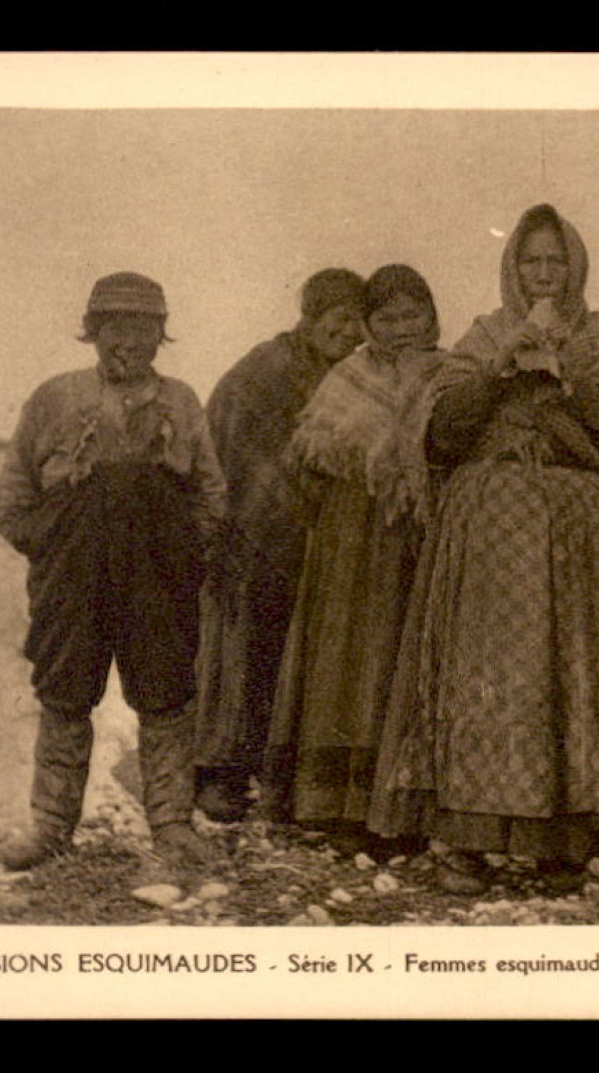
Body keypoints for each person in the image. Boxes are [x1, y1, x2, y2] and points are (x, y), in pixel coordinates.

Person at [369, 203, 599, 895]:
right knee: (484, 682)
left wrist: (570, 380)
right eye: (528, 261)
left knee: (567, 679)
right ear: (511, 267)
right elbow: (435, 429)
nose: (541, 274)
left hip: (572, 544)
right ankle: (468, 838)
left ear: (575, 268)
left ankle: (561, 841)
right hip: (488, 543)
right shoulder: (483, 335)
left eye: (553, 262)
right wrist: (496, 373)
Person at [0, 272, 227, 871]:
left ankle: (172, 827)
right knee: (65, 694)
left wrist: (181, 554)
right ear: (93, 331)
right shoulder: (56, 397)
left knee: (166, 698)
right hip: (73, 577)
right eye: (116, 325)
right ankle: (50, 825)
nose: (130, 340)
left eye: (145, 327)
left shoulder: (180, 401)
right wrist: (49, 543)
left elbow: (210, 492)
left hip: (156, 578)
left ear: (161, 335)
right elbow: (15, 489)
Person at [261, 264, 446, 856]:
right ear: (368, 324)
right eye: (386, 318)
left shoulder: (449, 375)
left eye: (411, 315)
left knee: (404, 662)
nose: (399, 329)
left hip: (417, 542)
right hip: (349, 540)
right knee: (343, 664)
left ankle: (403, 808)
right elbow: (310, 446)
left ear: (431, 317)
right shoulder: (349, 374)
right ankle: (331, 805)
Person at [194, 268, 369, 823]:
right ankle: (218, 774)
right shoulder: (267, 368)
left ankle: (276, 776)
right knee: (239, 654)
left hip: (308, 538)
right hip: (245, 531)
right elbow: (224, 436)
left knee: (288, 659)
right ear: (310, 317)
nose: (349, 332)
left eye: (357, 321)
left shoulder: (351, 377)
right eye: (337, 319)